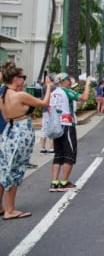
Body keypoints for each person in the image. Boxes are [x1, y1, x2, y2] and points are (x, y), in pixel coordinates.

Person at [0, 61, 53, 219]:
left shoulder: (2, 94)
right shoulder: (20, 95)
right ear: (15, 78)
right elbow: (44, 103)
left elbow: (5, 116)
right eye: (22, 77)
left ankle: (2, 207)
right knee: (15, 171)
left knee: (4, 169)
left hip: (9, 131)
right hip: (21, 132)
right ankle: (10, 210)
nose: (23, 80)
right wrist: (48, 87)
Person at [48, 73, 91, 192]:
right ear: (62, 81)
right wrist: (87, 84)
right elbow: (84, 98)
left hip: (55, 125)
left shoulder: (52, 92)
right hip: (66, 124)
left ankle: (54, 182)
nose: (70, 82)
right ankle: (64, 182)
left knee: (58, 154)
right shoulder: (66, 91)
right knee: (69, 154)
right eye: (68, 80)